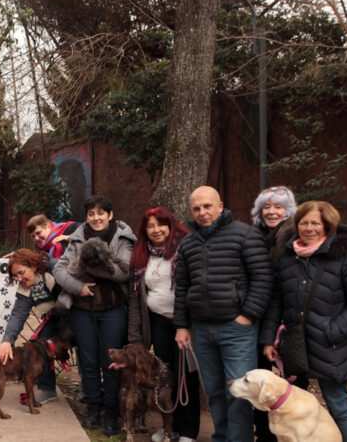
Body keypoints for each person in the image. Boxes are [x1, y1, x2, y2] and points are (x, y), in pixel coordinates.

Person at [262, 201, 347, 442]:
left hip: (329, 346)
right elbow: (276, 303)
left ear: (327, 226)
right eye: (303, 222)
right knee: (291, 410)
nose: (308, 228)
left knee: (339, 407)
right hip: (293, 346)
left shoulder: (345, 257)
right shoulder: (287, 258)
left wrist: (332, 331)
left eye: (315, 223)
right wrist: (268, 340)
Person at [174, 186, 272, 442]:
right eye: (196, 208)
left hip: (236, 329)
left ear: (220, 205)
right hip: (202, 330)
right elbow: (182, 286)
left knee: (238, 393)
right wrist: (182, 325)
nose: (202, 212)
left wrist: (248, 315)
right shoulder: (188, 243)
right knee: (214, 391)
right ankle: (221, 437)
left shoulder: (245, 235)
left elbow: (262, 278)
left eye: (207, 206)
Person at [53, 195, 135, 436]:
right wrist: (79, 287)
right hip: (82, 309)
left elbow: (124, 273)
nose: (96, 217)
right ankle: (93, 407)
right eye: (91, 213)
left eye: (101, 213)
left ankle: (111, 411)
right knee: (87, 360)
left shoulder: (124, 238)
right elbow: (59, 269)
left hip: (113, 309)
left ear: (110, 215)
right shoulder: (78, 238)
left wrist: (92, 267)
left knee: (109, 361)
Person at [127, 206, 200, 442]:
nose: (156, 230)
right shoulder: (142, 256)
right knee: (165, 377)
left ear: (170, 226)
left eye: (161, 224)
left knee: (185, 378)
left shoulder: (185, 250)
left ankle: (188, 430)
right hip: (158, 323)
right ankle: (170, 428)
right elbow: (136, 299)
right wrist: (135, 337)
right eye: (150, 226)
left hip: (184, 325)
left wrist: (185, 324)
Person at [250, 185, 297, 442]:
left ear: (288, 210)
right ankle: (264, 435)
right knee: (261, 383)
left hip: (287, 321)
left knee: (290, 384)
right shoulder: (253, 236)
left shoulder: (293, 238)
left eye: (278, 206)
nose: (272, 211)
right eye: (266, 206)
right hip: (258, 317)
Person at [0, 249, 64, 404]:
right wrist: (7, 340)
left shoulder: (53, 271)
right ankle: (47, 389)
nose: (19, 279)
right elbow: (18, 315)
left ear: (32, 266)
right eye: (15, 276)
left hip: (76, 314)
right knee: (41, 344)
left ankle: (90, 393)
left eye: (21, 272)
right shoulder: (25, 288)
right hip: (54, 318)